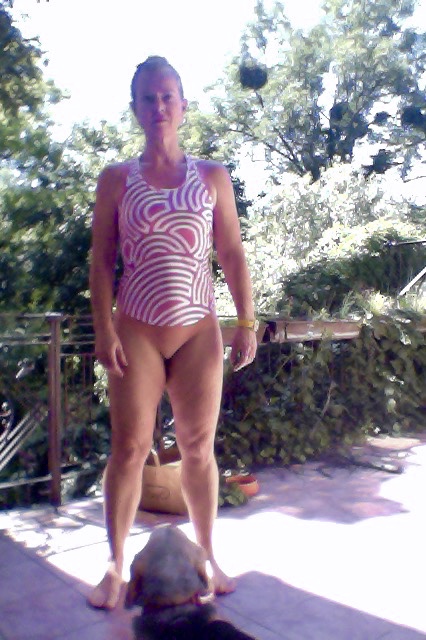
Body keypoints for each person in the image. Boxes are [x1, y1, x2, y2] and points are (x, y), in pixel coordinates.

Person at [88, 55, 258, 610]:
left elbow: (231, 253)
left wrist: (246, 320)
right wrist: (103, 328)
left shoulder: (212, 177)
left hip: (198, 331)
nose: (158, 106)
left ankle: (207, 557)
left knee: (198, 449)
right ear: (135, 107)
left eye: (167, 97)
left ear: (183, 106)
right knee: (129, 448)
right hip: (136, 329)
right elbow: (102, 259)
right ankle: (115, 567)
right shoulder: (117, 179)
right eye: (148, 97)